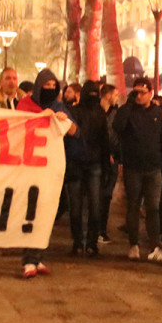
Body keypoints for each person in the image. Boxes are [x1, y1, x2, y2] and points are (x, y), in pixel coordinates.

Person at [15, 67, 77, 278]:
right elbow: (16, 127)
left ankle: (38, 255)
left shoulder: (58, 105)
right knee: (30, 211)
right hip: (29, 167)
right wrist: (39, 117)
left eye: (53, 85)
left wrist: (62, 119)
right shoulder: (25, 105)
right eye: (46, 85)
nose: (50, 88)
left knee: (46, 211)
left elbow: (74, 131)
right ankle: (29, 259)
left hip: (50, 169)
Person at [113, 76, 162, 263]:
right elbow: (117, 127)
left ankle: (154, 245)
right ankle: (134, 244)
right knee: (133, 206)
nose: (139, 96)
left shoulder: (160, 114)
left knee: (153, 208)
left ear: (150, 93)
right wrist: (129, 105)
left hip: (153, 168)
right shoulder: (128, 112)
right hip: (133, 167)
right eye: (135, 92)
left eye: (142, 92)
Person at [65, 81, 109, 256]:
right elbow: (104, 141)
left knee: (78, 206)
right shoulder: (99, 113)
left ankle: (79, 242)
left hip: (80, 164)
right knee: (93, 205)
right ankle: (90, 243)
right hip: (92, 164)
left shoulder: (74, 112)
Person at [98, 83, 121, 245]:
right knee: (96, 196)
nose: (117, 98)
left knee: (106, 196)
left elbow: (117, 136)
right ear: (107, 95)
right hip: (97, 160)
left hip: (112, 160)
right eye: (116, 95)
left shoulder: (116, 114)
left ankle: (101, 230)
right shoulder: (95, 113)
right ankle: (95, 230)